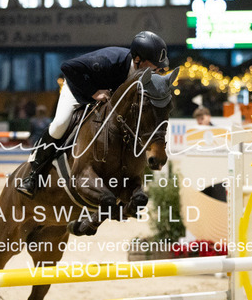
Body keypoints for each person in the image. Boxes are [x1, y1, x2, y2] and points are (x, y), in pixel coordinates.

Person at [16, 31, 169, 198]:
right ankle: (33, 174)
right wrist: (94, 92)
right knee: (60, 124)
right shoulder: (110, 60)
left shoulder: (144, 76)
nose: (158, 69)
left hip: (105, 100)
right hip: (79, 90)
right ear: (138, 59)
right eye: (154, 64)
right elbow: (67, 67)